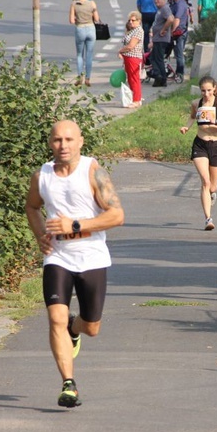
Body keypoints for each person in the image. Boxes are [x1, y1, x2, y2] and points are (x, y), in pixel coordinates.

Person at [26, 120, 125, 408]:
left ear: (80, 141)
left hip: (91, 255)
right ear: (49, 142)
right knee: (55, 317)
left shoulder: (93, 172)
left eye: (69, 139)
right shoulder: (42, 176)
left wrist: (75, 224)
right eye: (57, 140)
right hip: (57, 256)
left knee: (91, 327)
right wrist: (39, 235)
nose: (63, 145)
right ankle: (68, 384)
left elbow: (117, 215)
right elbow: (31, 206)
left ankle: (74, 328)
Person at [179, 76, 217, 231]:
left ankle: (212, 193)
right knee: (205, 181)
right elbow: (192, 117)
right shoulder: (196, 103)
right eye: (203, 91)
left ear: (214, 89)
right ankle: (208, 219)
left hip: (216, 145)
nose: (206, 94)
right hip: (200, 144)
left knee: (213, 186)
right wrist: (186, 127)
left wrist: (215, 121)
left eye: (209, 90)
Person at [70, 0, 100, 87]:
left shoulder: (74, 4)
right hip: (91, 29)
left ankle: (79, 77)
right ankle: (88, 78)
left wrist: (77, 18)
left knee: (79, 54)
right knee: (89, 55)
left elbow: (71, 20)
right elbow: (96, 19)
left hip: (80, 29)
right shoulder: (92, 3)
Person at [119, 11, 145, 108]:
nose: (131, 22)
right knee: (130, 79)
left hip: (133, 57)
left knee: (134, 79)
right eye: (129, 20)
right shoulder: (132, 30)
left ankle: (137, 100)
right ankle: (134, 97)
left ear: (139, 21)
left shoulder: (138, 31)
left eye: (133, 20)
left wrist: (120, 51)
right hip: (128, 57)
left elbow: (131, 46)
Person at [150, 0, 174, 87]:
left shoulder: (165, 8)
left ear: (163, 0)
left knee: (157, 59)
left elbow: (171, 19)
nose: (156, 1)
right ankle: (159, 77)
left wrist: (163, 29)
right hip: (157, 38)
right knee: (154, 58)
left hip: (161, 39)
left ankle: (161, 78)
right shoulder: (160, 9)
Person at [167, 0, 189, 79]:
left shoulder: (180, 4)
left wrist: (172, 31)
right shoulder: (175, 3)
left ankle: (180, 74)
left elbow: (177, 19)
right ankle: (177, 72)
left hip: (179, 33)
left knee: (179, 54)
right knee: (177, 53)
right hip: (178, 33)